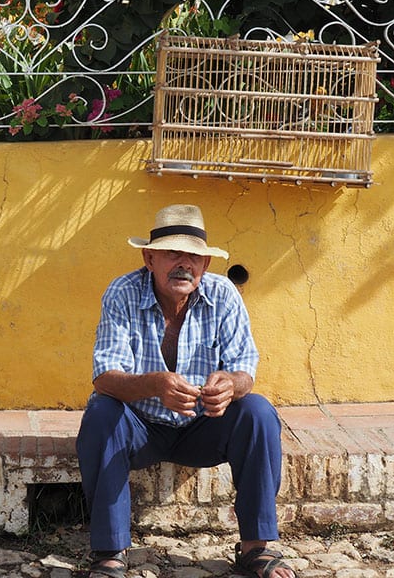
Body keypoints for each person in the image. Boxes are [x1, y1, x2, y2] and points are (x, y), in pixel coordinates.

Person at [76, 204, 296, 578]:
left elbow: (245, 368)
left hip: (202, 426)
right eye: (173, 253)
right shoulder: (122, 292)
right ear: (149, 257)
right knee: (100, 414)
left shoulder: (224, 294)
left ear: (205, 265)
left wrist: (230, 385)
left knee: (258, 412)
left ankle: (256, 547)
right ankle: (110, 551)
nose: (185, 264)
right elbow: (105, 375)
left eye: (194, 256)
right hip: (141, 427)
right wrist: (154, 384)